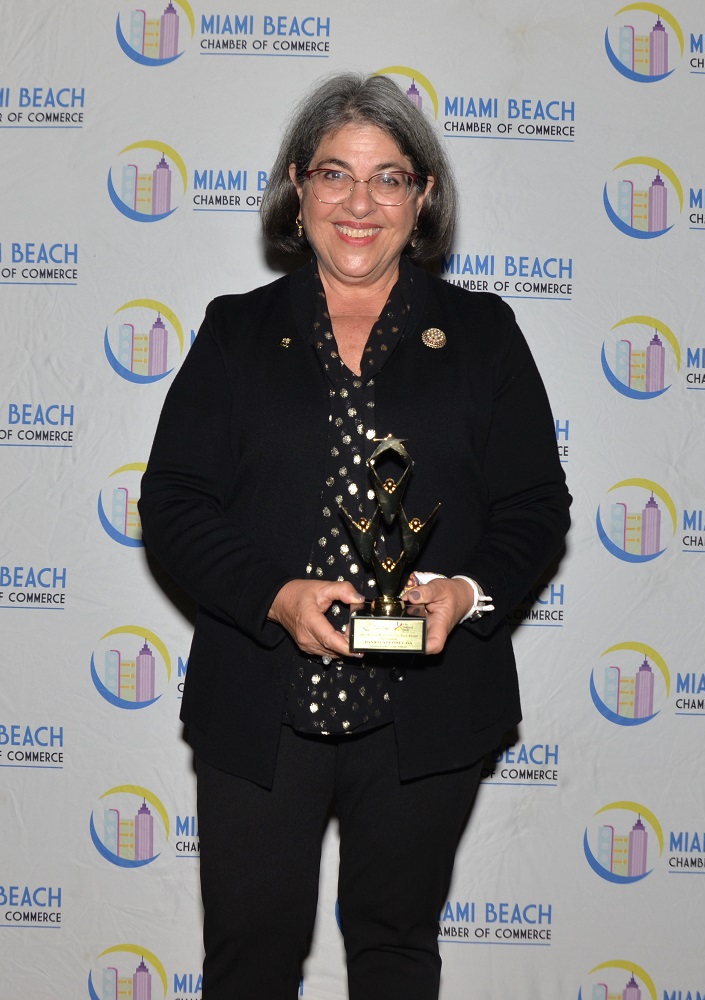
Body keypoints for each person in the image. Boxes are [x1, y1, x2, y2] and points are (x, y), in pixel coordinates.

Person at [138, 72, 571, 1000]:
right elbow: (173, 500)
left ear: (423, 196)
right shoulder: (236, 331)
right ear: (298, 187)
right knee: (249, 962)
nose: (359, 202)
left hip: (430, 708)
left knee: (396, 951)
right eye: (335, 174)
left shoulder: (483, 333)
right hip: (261, 702)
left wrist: (465, 593)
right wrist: (273, 595)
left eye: (387, 177)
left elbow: (536, 505)